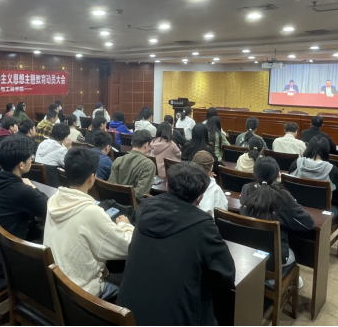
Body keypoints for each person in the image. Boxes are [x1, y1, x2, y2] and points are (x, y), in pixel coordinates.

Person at [117, 162, 236, 326]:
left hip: (126, 315)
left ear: (167, 185)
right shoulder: (203, 226)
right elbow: (226, 275)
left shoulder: (144, 209)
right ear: (200, 197)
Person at [44, 148, 134, 300]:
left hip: (56, 284)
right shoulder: (90, 212)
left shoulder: (53, 200)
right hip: (81, 293)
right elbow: (126, 247)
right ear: (92, 177)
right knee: (131, 288)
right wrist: (125, 225)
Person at [0, 134, 49, 278]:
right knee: (49, 249)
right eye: (30, 157)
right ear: (21, 165)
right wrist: (32, 187)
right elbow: (47, 207)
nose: (31, 160)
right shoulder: (20, 190)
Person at [241, 157, 315, 287]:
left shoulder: (246, 189)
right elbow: (308, 223)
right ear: (278, 175)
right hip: (275, 259)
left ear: (254, 174)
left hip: (248, 253)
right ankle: (289, 279)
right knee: (294, 248)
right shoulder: (283, 196)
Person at [289, 137, 338, 217]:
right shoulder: (332, 169)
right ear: (326, 150)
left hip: (297, 208)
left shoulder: (296, 163)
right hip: (321, 211)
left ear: (308, 148)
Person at [109, 130, 156, 203]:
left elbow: (111, 185)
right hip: (134, 206)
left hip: (115, 203)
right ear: (146, 145)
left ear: (131, 142)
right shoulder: (148, 165)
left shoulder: (118, 160)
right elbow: (140, 194)